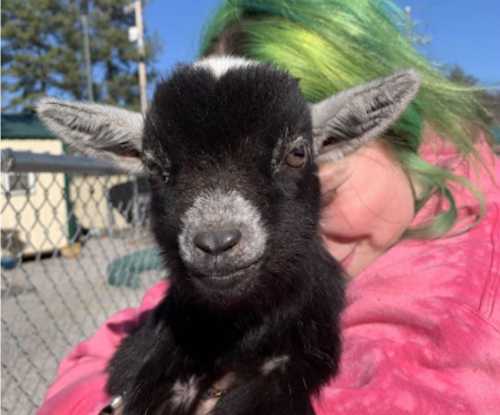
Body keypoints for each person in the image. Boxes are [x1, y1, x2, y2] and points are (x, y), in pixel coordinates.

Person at [37, 1, 500, 414]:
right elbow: (99, 356)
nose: (217, 236)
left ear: (370, 131)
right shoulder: (234, 274)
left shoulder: (473, 284)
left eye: (326, 190)